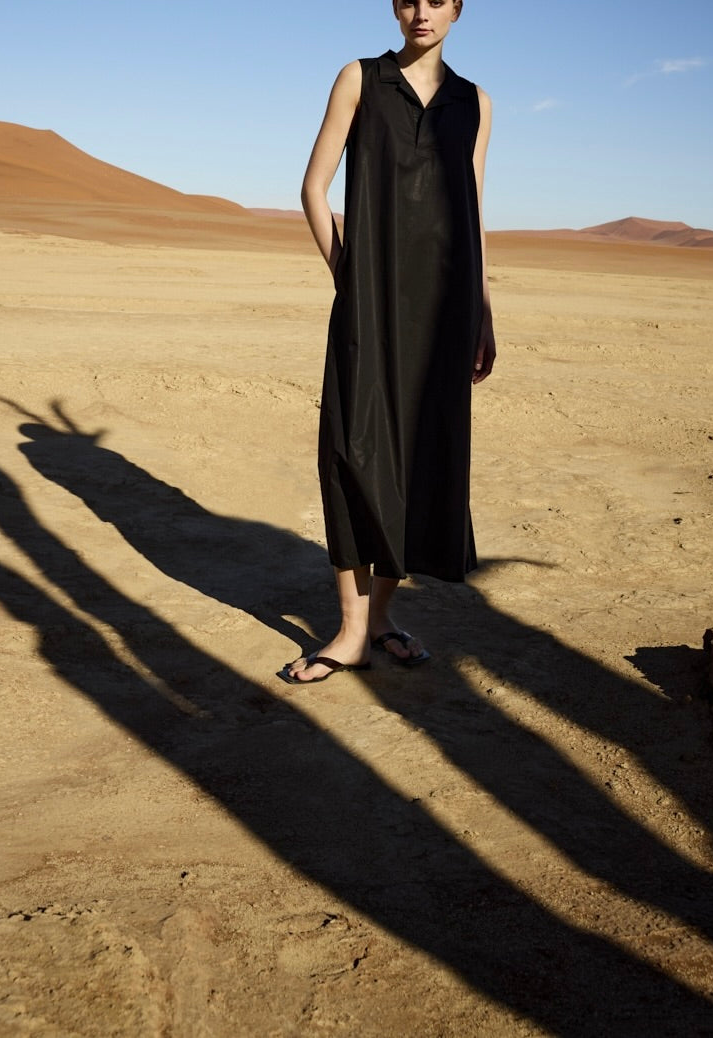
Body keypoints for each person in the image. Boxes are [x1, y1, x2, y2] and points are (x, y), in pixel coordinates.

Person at [280, 0, 495, 684]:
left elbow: (472, 211)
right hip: (368, 303)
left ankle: (379, 619)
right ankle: (348, 632)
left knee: (421, 459)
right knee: (351, 451)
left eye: (436, 0)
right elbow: (313, 188)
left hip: (446, 310)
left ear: (458, 9)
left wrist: (483, 309)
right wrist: (346, 273)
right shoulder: (359, 79)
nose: (420, 12)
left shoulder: (475, 103)